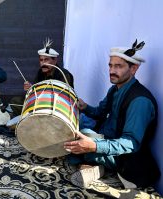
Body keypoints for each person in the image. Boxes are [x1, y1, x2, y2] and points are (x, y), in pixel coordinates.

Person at [64, 39, 160, 189]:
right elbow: (99, 112)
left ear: (133, 69)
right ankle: (96, 164)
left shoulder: (140, 101)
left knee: (79, 137)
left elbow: (130, 144)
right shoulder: (115, 89)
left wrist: (94, 146)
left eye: (118, 66)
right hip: (106, 136)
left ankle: (97, 166)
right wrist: (85, 107)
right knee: (77, 125)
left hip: (126, 157)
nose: (111, 71)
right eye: (110, 65)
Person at [10, 38, 74, 116]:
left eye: (46, 60)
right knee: (15, 101)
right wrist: (30, 89)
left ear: (55, 61)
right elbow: (36, 91)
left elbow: (63, 97)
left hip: (56, 107)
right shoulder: (41, 72)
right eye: (41, 60)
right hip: (41, 103)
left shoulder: (63, 74)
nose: (43, 63)